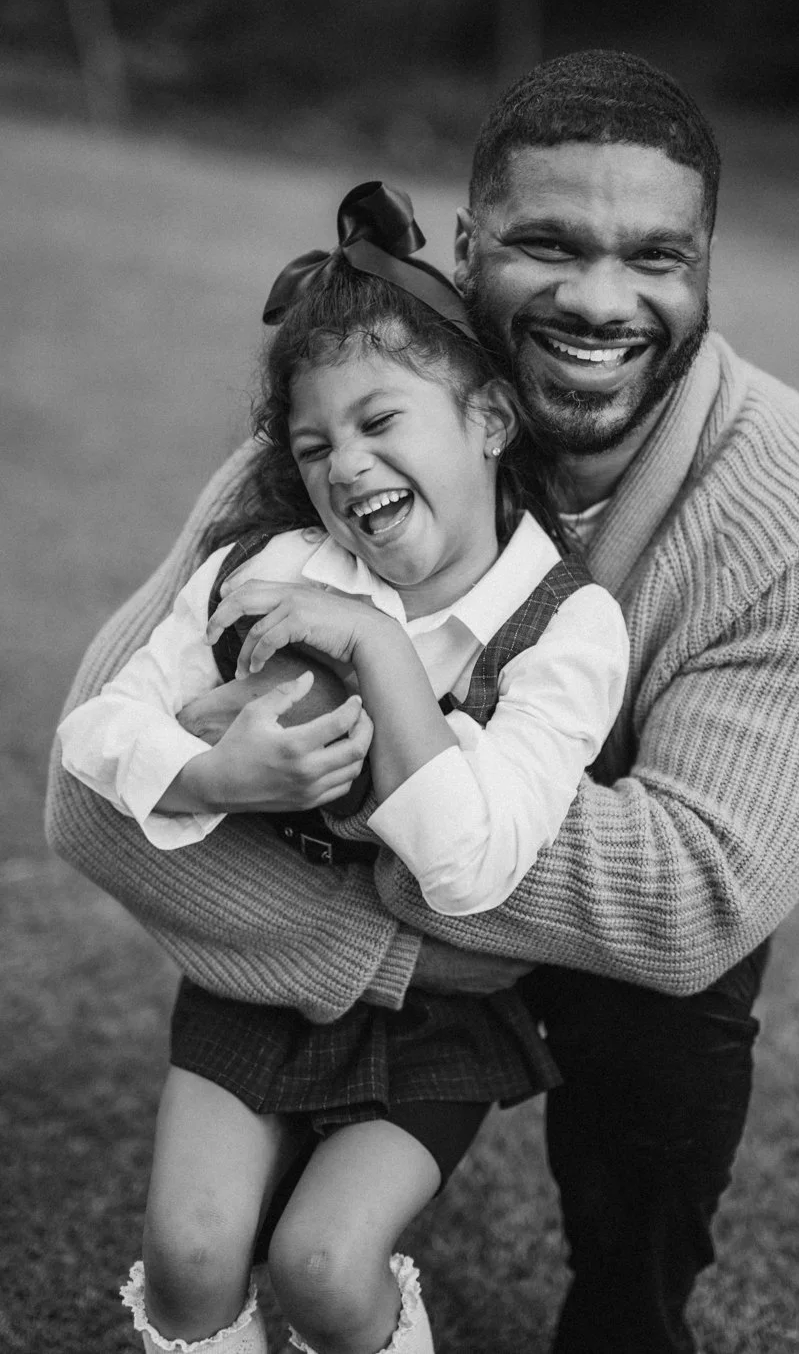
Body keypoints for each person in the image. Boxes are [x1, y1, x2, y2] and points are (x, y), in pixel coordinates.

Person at [46, 50, 799, 1354]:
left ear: (708, 267)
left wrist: (362, 802)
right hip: (420, 910)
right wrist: (393, 943)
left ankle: (625, 1315)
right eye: (546, 243)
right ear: (466, 247)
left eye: (655, 258)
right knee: (222, 1244)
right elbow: (87, 790)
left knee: (683, 1002)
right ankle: (287, 1181)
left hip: (576, 907)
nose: (598, 298)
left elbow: (690, 901)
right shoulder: (345, 434)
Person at [56, 181, 630, 1354]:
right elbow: (94, 732)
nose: (344, 466)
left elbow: (468, 868)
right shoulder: (262, 563)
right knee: (190, 1251)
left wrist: (368, 643)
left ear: (487, 420)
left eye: (381, 422)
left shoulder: (566, 629)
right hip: (251, 975)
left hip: (434, 1017)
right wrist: (215, 777)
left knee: (323, 1265)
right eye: (314, 444)